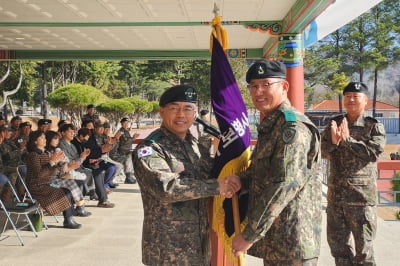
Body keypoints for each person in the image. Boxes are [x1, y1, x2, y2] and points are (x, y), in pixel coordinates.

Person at [133, 84, 240, 265]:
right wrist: (217, 186)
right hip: (167, 250)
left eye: (187, 108)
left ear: (195, 113)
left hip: (199, 246)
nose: (181, 115)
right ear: (162, 112)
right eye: (174, 108)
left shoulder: (195, 146)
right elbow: (166, 188)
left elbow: (213, 172)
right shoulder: (150, 148)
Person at [227, 60, 322, 265]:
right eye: (253, 86)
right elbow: (263, 172)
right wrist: (240, 179)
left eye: (266, 84)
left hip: (292, 242)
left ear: (284, 86)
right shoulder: (272, 124)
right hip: (276, 240)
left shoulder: (292, 128)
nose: (259, 91)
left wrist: (250, 234)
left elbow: (284, 185)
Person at [321, 81, 386, 266]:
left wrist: (347, 140)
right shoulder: (335, 123)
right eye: (347, 96)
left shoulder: (373, 126)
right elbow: (322, 150)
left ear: (366, 101)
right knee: (338, 248)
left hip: (361, 199)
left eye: (355, 96)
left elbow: (373, 153)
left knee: (364, 252)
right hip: (336, 199)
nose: (351, 100)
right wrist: (333, 142)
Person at [26, 130, 82, 229]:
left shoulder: (43, 154)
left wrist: (56, 165)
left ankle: (69, 218)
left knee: (67, 190)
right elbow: (39, 174)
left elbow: (50, 172)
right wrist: (51, 162)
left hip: (47, 183)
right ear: (35, 141)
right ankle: (68, 220)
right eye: (42, 138)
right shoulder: (33, 155)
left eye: (44, 138)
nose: (44, 140)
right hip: (37, 186)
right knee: (64, 192)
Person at [45, 130, 91, 217]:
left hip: (59, 177)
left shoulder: (56, 150)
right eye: (55, 139)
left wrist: (68, 165)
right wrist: (64, 166)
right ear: (49, 140)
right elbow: (50, 170)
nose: (57, 141)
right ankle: (74, 211)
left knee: (76, 183)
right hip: (50, 182)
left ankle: (78, 207)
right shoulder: (46, 153)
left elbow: (65, 164)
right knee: (68, 188)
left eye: (57, 139)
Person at [72, 127, 115, 208]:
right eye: (86, 137)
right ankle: (102, 199)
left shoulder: (82, 142)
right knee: (97, 173)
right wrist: (87, 160)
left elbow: (86, 155)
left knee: (101, 171)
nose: (87, 139)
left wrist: (90, 159)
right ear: (81, 136)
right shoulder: (74, 143)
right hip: (78, 167)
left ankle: (103, 198)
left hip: (84, 163)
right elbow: (77, 158)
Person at [109, 117, 139, 184]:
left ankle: (128, 177)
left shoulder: (126, 131)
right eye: (125, 123)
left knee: (129, 160)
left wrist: (133, 138)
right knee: (126, 160)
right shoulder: (121, 131)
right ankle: (113, 178)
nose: (126, 124)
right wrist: (133, 138)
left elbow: (128, 140)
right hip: (120, 152)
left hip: (126, 151)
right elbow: (125, 141)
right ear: (122, 124)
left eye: (127, 123)